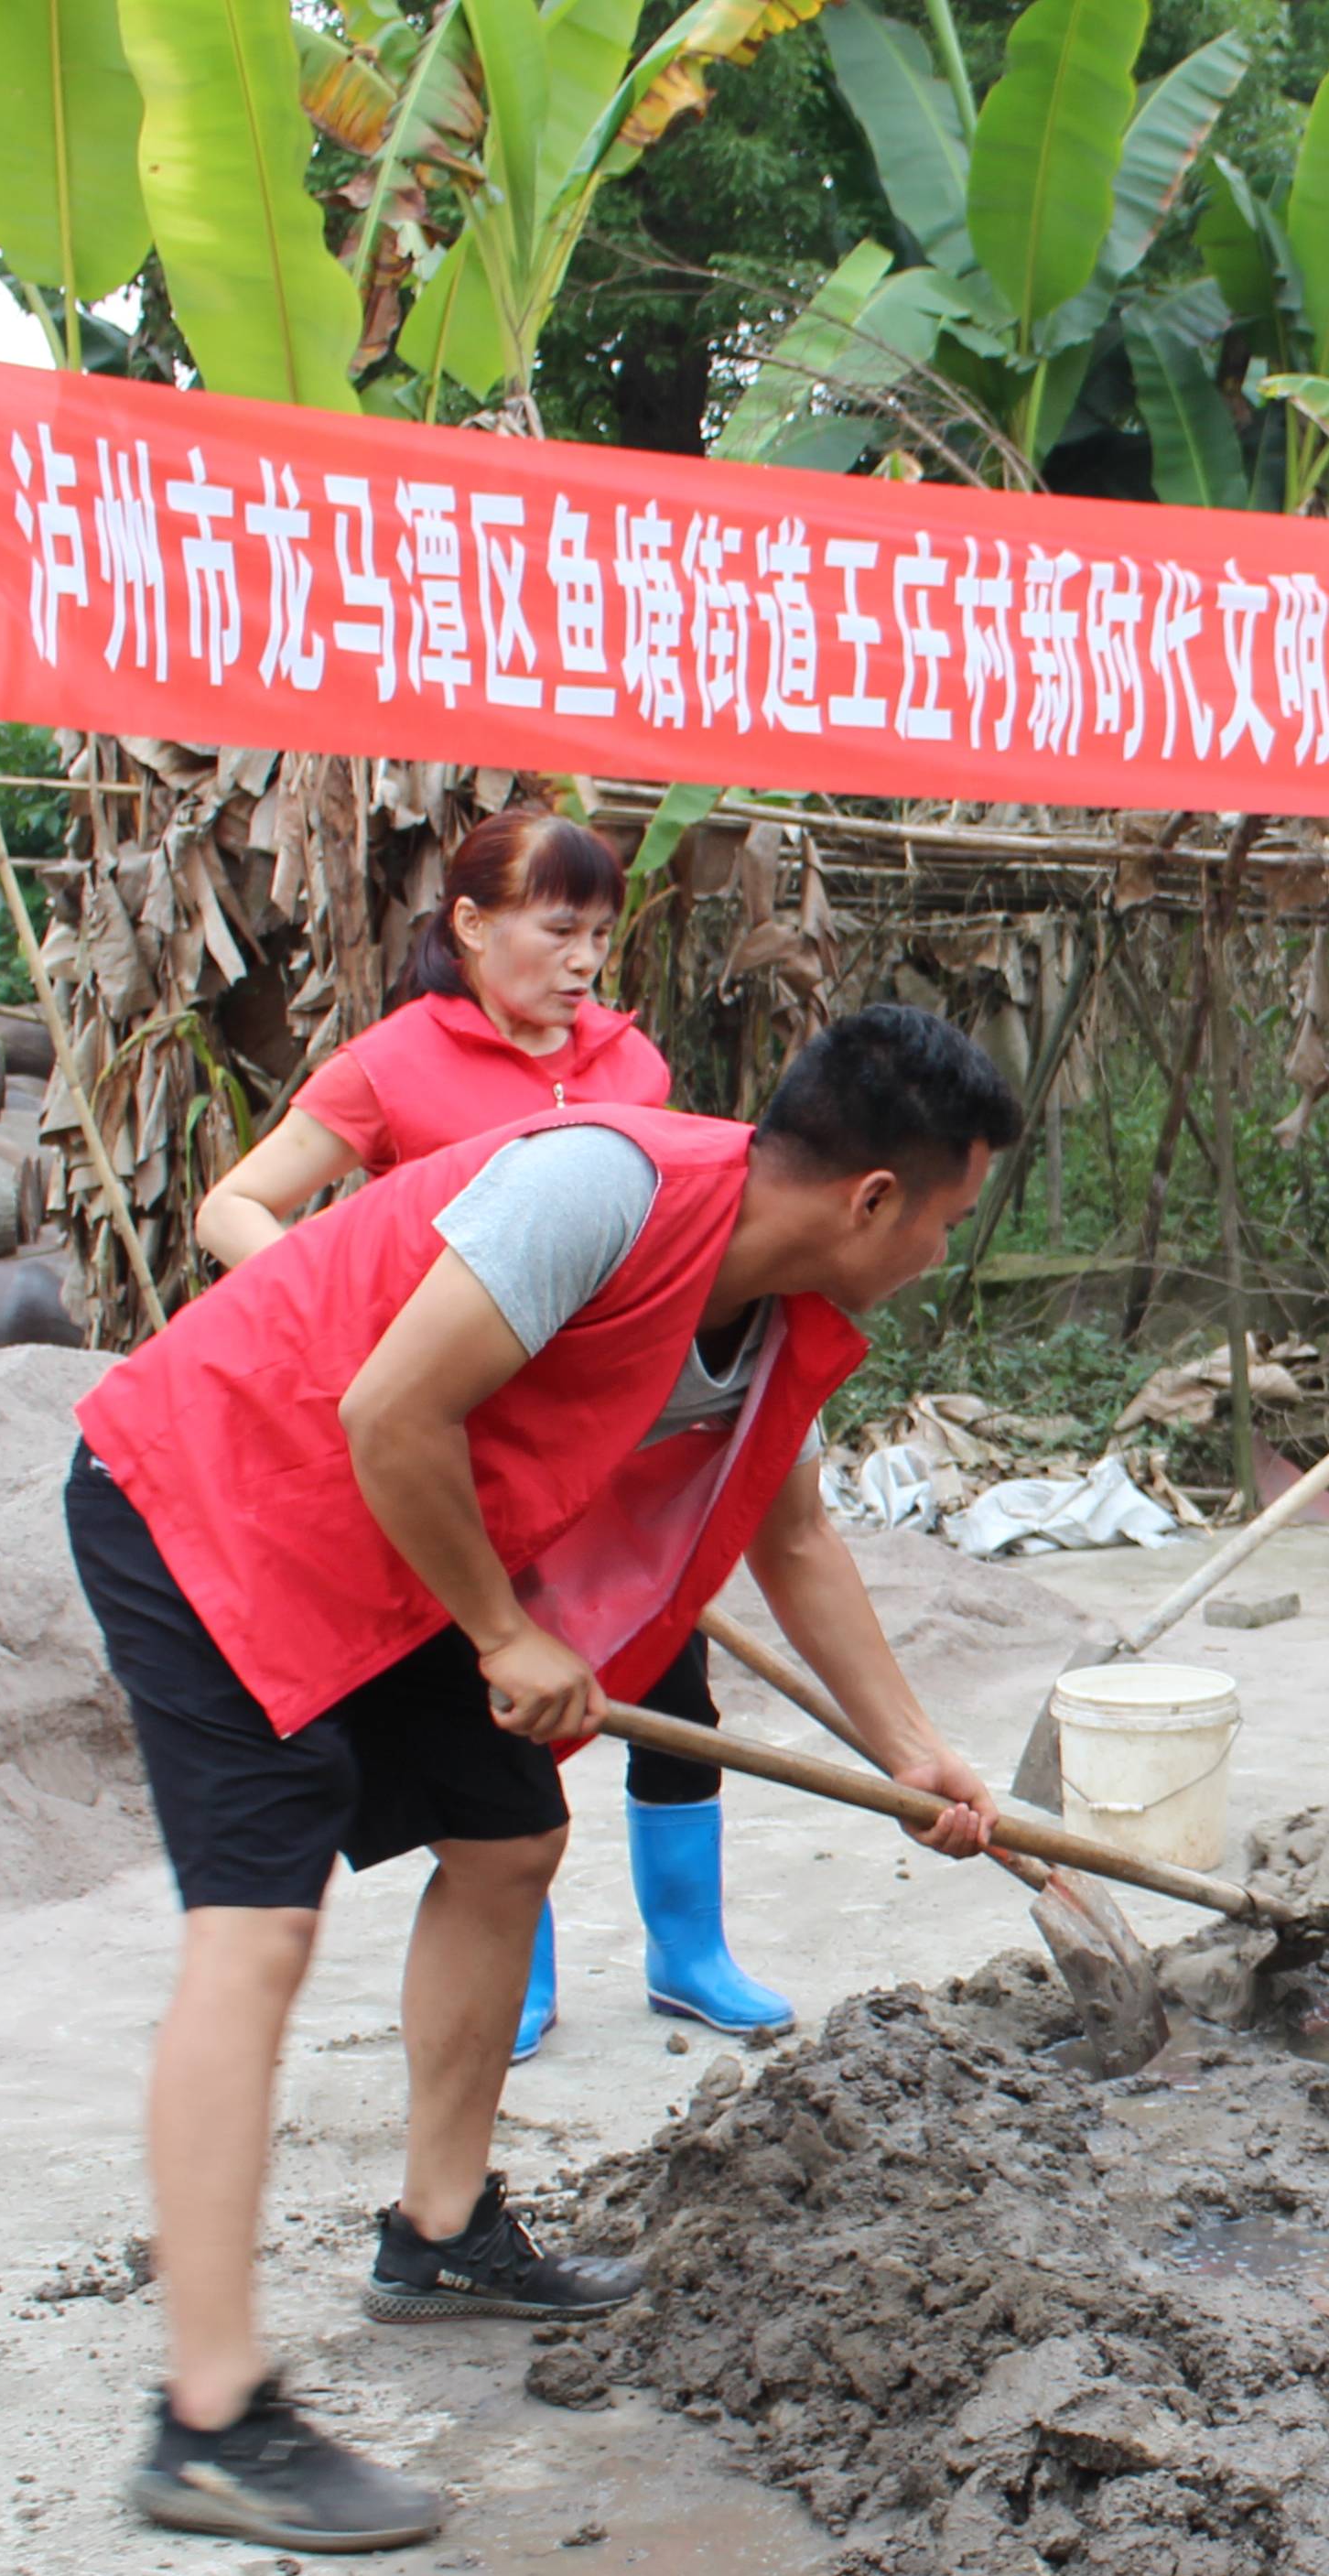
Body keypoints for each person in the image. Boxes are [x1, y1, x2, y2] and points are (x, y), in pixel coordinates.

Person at [73, 1005, 1021, 2552]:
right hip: (218, 1494)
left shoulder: (778, 1310)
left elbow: (788, 1539)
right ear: (871, 1202)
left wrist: (912, 1755)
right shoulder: (602, 1191)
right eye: (943, 1219)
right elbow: (388, 1407)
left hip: (397, 1534)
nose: (935, 1254)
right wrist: (503, 1633)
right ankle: (208, 2417)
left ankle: (438, 2239)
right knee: (254, 1932)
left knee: (508, 1836)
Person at [196, 807, 791, 2059]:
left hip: (613, 1449)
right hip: (460, 1453)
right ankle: (510, 1970)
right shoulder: (392, 1066)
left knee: (672, 1683)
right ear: (468, 925)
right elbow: (233, 1207)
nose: (583, 962)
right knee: (501, 1715)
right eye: (556, 930)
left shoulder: (633, 1069)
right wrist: (352, 1328)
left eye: (598, 935)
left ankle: (693, 1955)